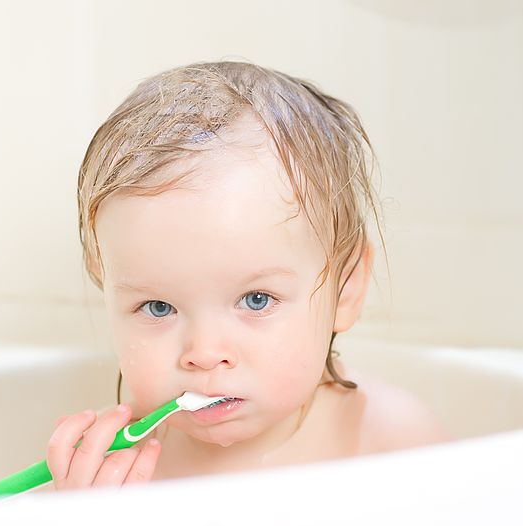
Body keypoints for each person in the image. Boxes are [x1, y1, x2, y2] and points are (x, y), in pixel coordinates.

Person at [46, 61, 449, 491]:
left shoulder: (391, 440)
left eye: (256, 299)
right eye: (158, 307)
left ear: (345, 287)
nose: (203, 354)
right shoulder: (112, 471)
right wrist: (82, 523)